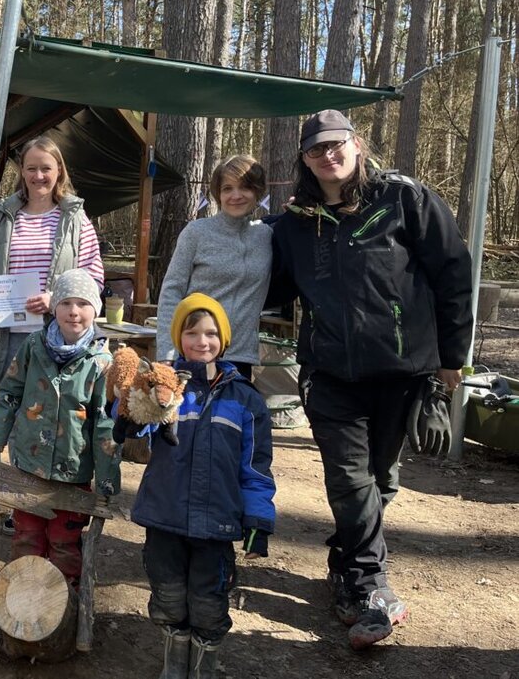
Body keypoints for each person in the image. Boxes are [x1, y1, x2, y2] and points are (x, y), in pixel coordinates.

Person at [268, 109, 472, 649]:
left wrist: (453, 357)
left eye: (336, 145)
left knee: (381, 482)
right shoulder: (294, 223)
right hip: (330, 374)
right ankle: (367, 588)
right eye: (315, 150)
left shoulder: (405, 199)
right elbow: (269, 289)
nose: (327, 156)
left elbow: (453, 271)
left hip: (403, 370)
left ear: (356, 145)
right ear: (304, 159)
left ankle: (345, 562)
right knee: (351, 480)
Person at [119, 292, 275, 679]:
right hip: (165, 513)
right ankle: (174, 663)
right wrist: (129, 405)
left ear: (223, 339)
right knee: (168, 596)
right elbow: (134, 418)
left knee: (208, 602)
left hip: (216, 521)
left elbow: (255, 467)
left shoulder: (245, 399)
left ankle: (204, 666)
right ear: (179, 337)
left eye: (210, 333)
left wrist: (258, 520)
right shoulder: (164, 386)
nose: (201, 341)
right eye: (191, 333)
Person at [0, 268, 120, 587]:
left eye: (83, 304)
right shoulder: (34, 346)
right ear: (54, 307)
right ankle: (23, 596)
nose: (74, 311)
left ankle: (64, 605)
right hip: (29, 465)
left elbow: (105, 423)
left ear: (95, 310)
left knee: (64, 544)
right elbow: (10, 392)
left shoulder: (101, 361)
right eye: (66, 303)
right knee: (26, 537)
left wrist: (106, 480)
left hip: (73, 472)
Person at [0, 136, 104, 398]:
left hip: (56, 333)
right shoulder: (4, 216)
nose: (38, 175)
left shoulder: (75, 218)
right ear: (22, 171)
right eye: (31, 168)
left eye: (46, 168)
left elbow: (93, 277)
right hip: (7, 335)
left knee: (50, 411)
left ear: (59, 171)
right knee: (10, 410)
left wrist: (55, 299)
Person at [155, 154, 271, 380]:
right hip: (193, 354)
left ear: (257, 191)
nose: (235, 195)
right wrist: (166, 354)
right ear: (218, 193)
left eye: (244, 187)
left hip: (241, 359)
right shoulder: (196, 233)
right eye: (227, 188)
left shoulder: (266, 235)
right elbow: (171, 292)